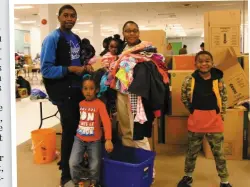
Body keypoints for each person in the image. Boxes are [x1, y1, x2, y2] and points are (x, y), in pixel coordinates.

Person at [40, 5, 92, 187]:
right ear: (59, 17)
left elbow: (78, 63)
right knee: (69, 131)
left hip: (78, 91)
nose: (69, 19)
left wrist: (85, 70)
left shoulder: (76, 38)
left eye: (73, 16)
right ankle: (66, 177)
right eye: (66, 15)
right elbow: (46, 70)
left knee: (79, 130)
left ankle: (71, 163)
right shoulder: (53, 38)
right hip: (63, 91)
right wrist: (70, 69)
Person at [114, 21, 170, 184]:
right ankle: (131, 163)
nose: (131, 34)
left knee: (138, 133)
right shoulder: (121, 49)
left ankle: (148, 170)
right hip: (121, 94)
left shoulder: (147, 49)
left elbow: (156, 69)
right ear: (123, 33)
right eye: (128, 31)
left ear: (138, 33)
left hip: (138, 97)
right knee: (125, 131)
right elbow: (118, 70)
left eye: (134, 31)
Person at [178, 51, 231, 187]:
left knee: (219, 153)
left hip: (214, 120)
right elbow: (184, 96)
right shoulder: (189, 80)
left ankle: (224, 180)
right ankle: (188, 177)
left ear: (212, 63)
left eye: (207, 61)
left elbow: (224, 97)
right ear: (195, 64)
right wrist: (192, 110)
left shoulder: (218, 80)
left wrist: (221, 113)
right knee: (192, 152)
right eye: (200, 61)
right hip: (196, 121)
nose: (204, 63)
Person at [69, 72, 113, 187]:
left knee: (95, 164)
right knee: (73, 162)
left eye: (91, 88)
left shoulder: (100, 105)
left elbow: (107, 122)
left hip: (95, 141)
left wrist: (108, 139)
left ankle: (94, 182)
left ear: (96, 90)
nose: (88, 91)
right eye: (85, 88)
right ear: (82, 90)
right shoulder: (80, 104)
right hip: (79, 139)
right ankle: (78, 181)